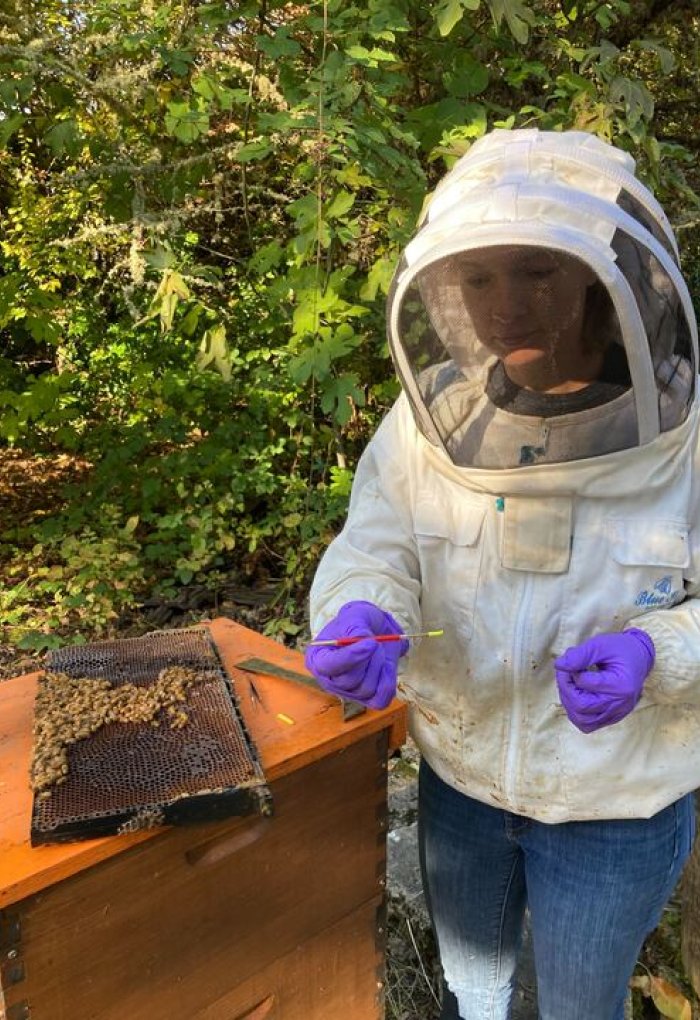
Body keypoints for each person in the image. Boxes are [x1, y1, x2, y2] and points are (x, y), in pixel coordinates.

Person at [303, 128, 700, 1020]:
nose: (506, 307)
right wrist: (358, 611)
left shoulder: (690, 434)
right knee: (473, 993)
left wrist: (660, 651)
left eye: (537, 274)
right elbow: (378, 546)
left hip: (618, 807)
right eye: (480, 279)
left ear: (606, 284)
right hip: (462, 784)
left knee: (578, 1008)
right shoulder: (430, 415)